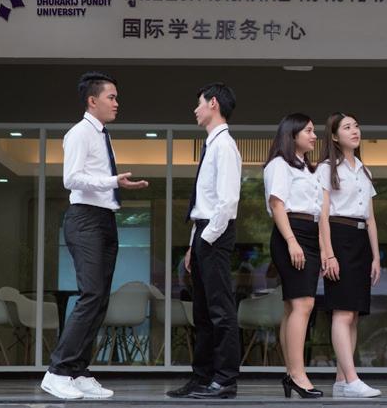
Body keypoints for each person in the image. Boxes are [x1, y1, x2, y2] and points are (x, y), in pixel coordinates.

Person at [41, 72, 148, 399]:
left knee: (100, 298)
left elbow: (95, 177)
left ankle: (78, 371)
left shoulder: (102, 134)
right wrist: (112, 182)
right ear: (92, 100)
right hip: (85, 219)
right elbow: (71, 179)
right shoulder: (79, 133)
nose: (117, 103)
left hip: (104, 218)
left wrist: (115, 184)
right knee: (91, 295)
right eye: (111, 97)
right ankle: (57, 371)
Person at [166, 83, 242, 400]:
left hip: (215, 233)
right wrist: (193, 244)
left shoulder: (224, 146)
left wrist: (207, 239)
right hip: (203, 232)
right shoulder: (212, 145)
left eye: (199, 103)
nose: (195, 109)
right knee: (202, 312)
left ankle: (224, 379)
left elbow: (228, 202)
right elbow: (205, 203)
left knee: (220, 310)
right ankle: (202, 377)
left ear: (213, 104)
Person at [316, 112, 382, 398]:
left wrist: (376, 257)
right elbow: (322, 215)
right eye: (347, 127)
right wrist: (328, 253)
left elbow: (370, 218)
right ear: (334, 136)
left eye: (356, 125)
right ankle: (353, 380)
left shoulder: (365, 171)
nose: (355, 130)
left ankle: (342, 380)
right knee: (342, 312)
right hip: (339, 238)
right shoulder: (326, 169)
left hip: (361, 242)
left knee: (354, 314)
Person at [263, 113, 323, 399]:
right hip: (291, 232)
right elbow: (277, 205)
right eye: (308, 131)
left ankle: (291, 374)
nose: (314, 136)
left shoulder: (307, 168)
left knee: (293, 307)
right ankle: (299, 375)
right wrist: (291, 241)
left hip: (308, 233)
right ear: (293, 134)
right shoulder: (279, 164)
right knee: (303, 304)